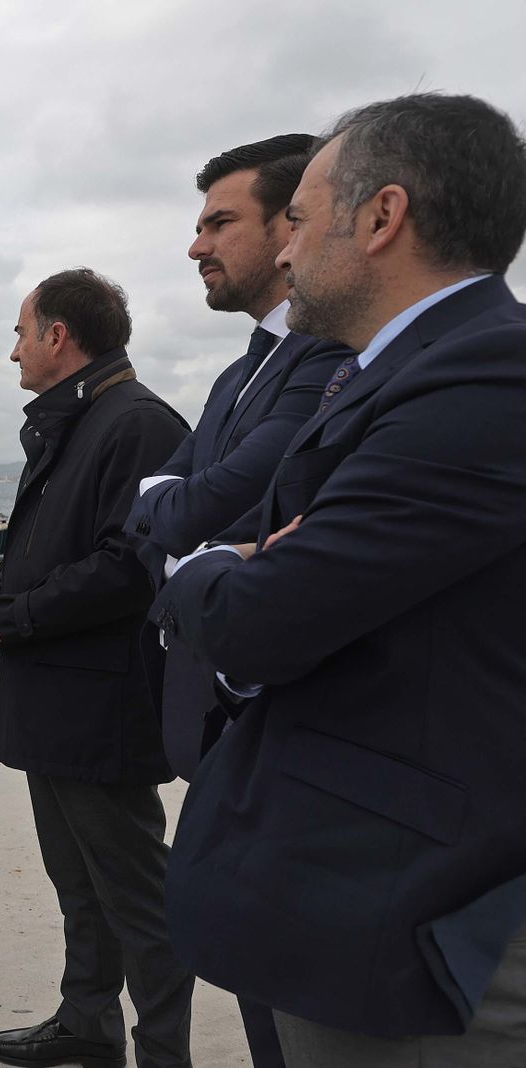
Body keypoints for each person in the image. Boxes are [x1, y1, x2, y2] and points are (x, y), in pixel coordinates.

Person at [152, 93, 526, 1067]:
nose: (285, 254)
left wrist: (201, 565)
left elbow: (259, 616)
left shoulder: (485, 377)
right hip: (346, 888)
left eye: (301, 222)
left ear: (380, 218)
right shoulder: (402, 373)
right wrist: (253, 557)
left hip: (399, 911)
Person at [128, 135, 355, 1067]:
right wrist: (185, 521)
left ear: (288, 224)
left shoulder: (327, 357)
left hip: (281, 729)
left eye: (221, 222)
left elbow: (206, 503)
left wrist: (183, 521)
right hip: (219, 738)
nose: (195, 246)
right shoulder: (238, 373)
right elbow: (164, 507)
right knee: (265, 1004)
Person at [0, 269, 191, 1068]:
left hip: (100, 710)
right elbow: (49, 542)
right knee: (79, 884)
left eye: (22, 332)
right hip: (55, 702)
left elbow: (130, 568)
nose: (13, 350)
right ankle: (88, 1021)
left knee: (136, 896)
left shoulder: (136, 425)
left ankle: (165, 1052)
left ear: (59, 337)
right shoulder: (78, 420)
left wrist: (15, 615)